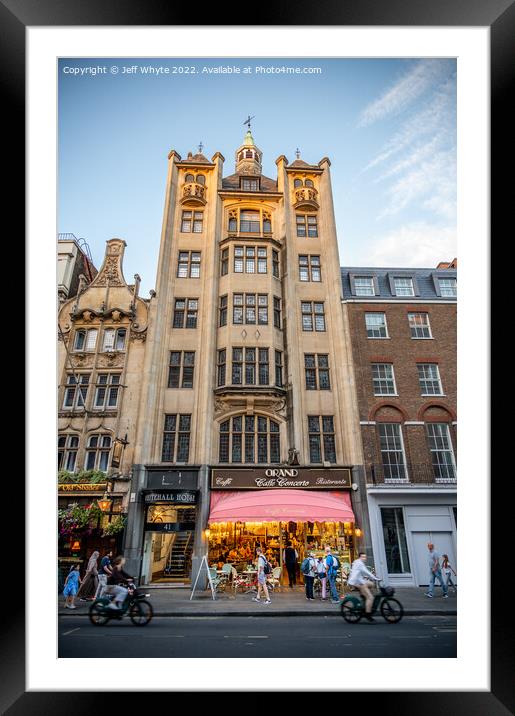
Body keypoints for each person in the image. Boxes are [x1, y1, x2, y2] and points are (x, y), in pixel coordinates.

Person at [347, 552, 381, 621]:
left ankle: (365, 598)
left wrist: (371, 577)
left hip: (359, 581)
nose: (364, 558)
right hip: (357, 582)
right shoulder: (359, 563)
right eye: (362, 557)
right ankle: (368, 614)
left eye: (365, 557)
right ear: (359, 557)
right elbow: (366, 572)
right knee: (370, 597)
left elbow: (361, 572)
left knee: (372, 584)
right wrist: (375, 578)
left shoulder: (357, 562)